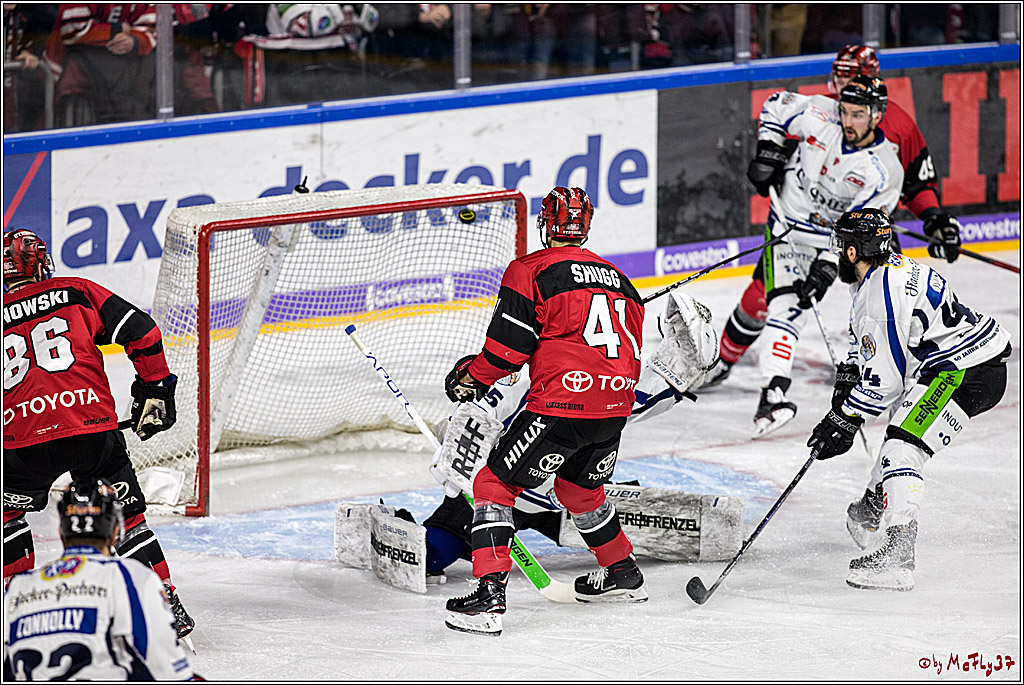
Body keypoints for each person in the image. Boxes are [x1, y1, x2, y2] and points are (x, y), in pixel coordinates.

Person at [442, 187, 647, 636]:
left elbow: (506, 350)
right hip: (614, 406)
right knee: (579, 492)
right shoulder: (622, 279)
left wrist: (471, 377)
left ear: (545, 224)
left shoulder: (529, 269)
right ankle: (622, 571)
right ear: (585, 226)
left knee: (493, 483)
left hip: (560, 404)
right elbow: (628, 347)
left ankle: (490, 596)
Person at [707, 44, 964, 391]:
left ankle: (905, 366)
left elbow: (917, 180)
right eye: (839, 76)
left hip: (861, 228)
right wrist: (771, 154)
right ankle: (722, 360)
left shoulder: (898, 126)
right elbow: (780, 122)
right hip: (804, 224)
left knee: (890, 295)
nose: (841, 86)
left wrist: (934, 219)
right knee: (764, 292)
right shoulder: (823, 110)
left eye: (851, 77)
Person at [2, 228, 194, 640]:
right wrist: (154, 388)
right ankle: (163, 605)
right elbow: (142, 331)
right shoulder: (76, 290)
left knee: (5, 517)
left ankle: (16, 609)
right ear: (40, 261)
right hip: (91, 431)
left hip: (21, 442)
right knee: (125, 517)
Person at [807, 208, 1010, 591]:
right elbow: (868, 347)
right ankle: (872, 507)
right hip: (963, 361)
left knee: (902, 448)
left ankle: (899, 554)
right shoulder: (887, 269)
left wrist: (844, 419)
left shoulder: (881, 295)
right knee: (903, 430)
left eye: (842, 246)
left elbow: (886, 382)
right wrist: (849, 376)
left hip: (966, 370)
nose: (838, 254)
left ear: (854, 252)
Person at [732, 76, 904, 438]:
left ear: (877, 115)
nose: (847, 121)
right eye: (844, 110)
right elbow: (776, 104)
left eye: (858, 114)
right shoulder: (817, 113)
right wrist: (770, 151)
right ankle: (773, 392)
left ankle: (893, 379)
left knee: (880, 303)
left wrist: (828, 265)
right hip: (788, 225)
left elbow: (861, 231)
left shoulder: (884, 171)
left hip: (836, 239)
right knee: (788, 302)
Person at [3, 479, 195, 680]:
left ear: (60, 531)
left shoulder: (17, 588)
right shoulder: (133, 579)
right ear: (115, 532)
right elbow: (171, 674)